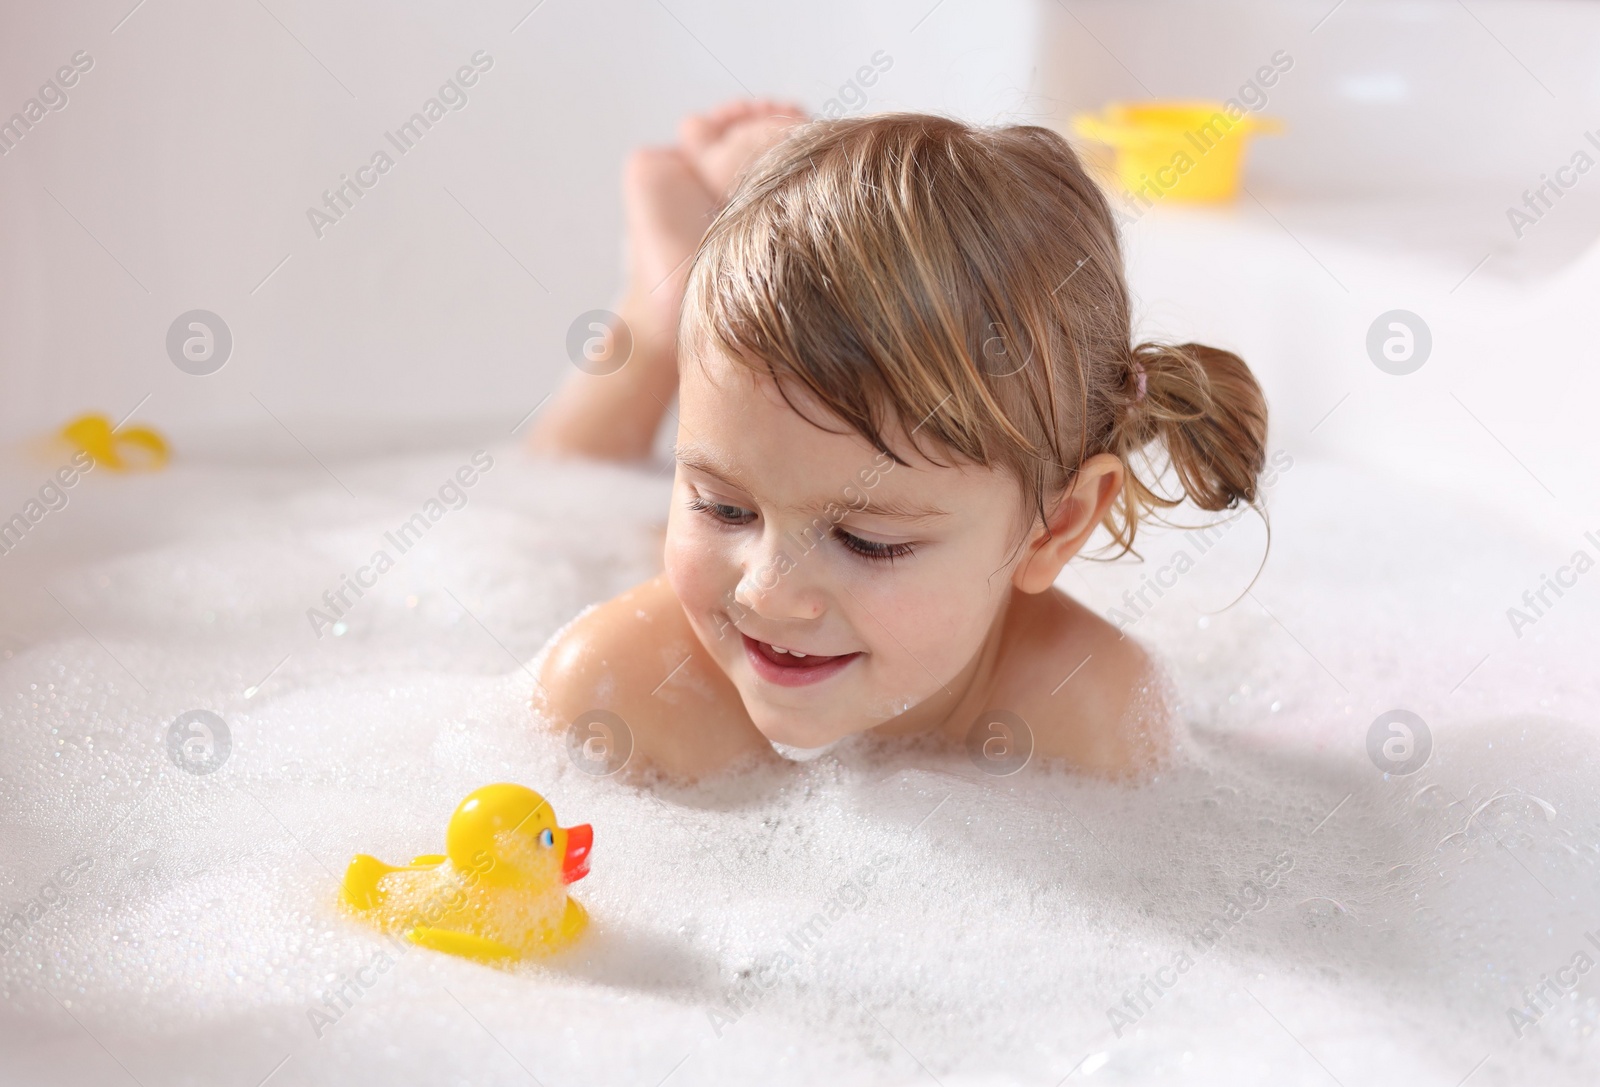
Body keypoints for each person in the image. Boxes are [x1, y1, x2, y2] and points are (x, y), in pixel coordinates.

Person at [529, 100, 1268, 779]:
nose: (767, 591)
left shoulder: (1088, 717)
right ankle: (662, 305)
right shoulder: (618, 693)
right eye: (723, 509)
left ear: (1058, 524)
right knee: (558, 492)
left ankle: (691, 285)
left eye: (866, 541)